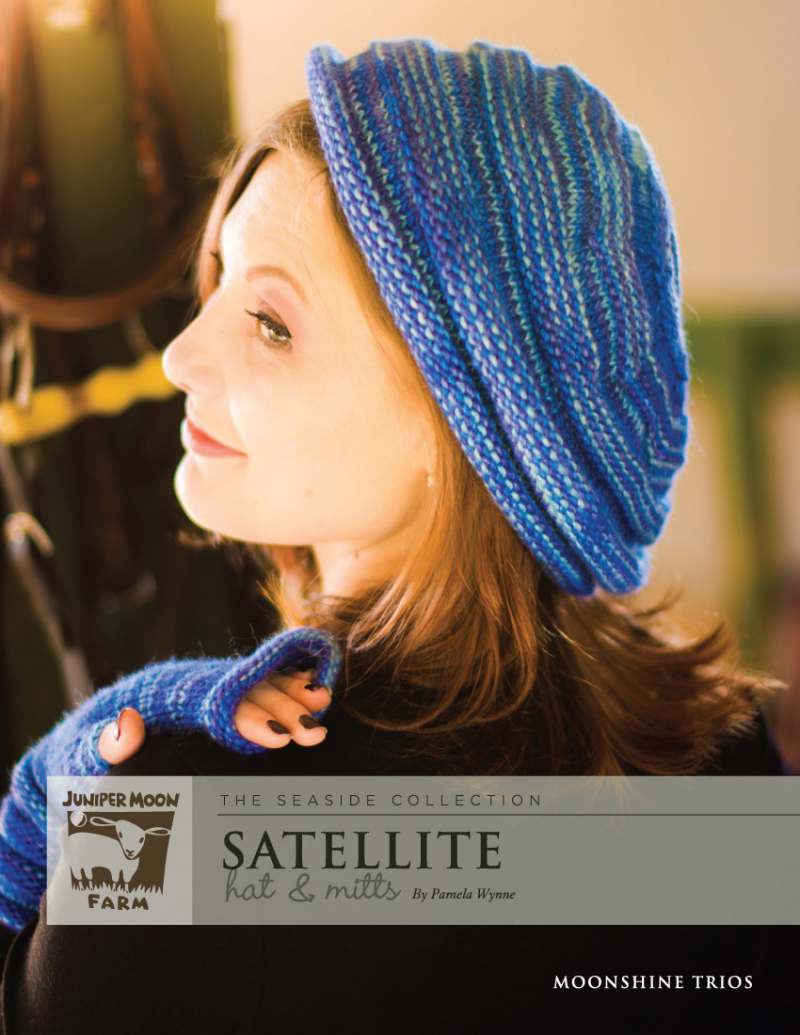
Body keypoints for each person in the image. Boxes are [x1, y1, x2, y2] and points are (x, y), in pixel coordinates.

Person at [0, 37, 794, 1034]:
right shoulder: (724, 754)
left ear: (464, 427)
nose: (180, 356)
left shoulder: (169, 826)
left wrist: (70, 812)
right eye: (217, 283)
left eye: (272, 324)